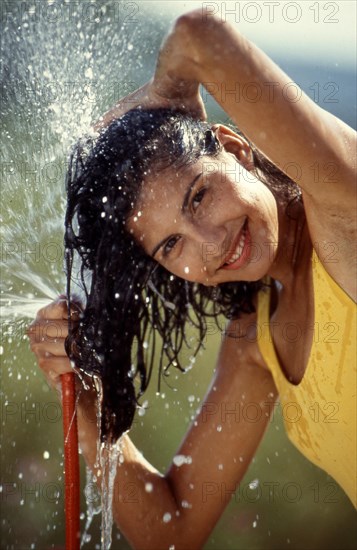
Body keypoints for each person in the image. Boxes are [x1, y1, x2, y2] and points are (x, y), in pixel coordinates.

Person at [28, 9, 356, 548]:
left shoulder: (343, 206)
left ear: (233, 148)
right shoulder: (257, 337)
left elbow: (199, 37)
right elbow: (174, 529)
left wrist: (170, 89)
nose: (211, 243)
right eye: (172, 245)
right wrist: (84, 403)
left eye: (200, 195)